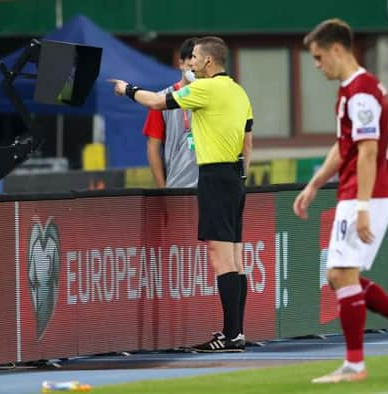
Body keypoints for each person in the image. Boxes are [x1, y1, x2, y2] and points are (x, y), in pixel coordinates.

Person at [293, 19, 388, 383]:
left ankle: (355, 364)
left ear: (338, 49)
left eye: (318, 56)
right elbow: (346, 148)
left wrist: (361, 207)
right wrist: (314, 185)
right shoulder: (353, 90)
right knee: (342, 275)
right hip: (359, 191)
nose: (316, 64)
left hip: (365, 193)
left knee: (341, 274)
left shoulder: (361, 93)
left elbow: (368, 153)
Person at [110, 36, 253, 352]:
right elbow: (248, 142)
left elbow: (156, 102)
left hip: (215, 177)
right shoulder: (238, 91)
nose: (192, 62)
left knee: (221, 257)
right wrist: (241, 178)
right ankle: (237, 332)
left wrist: (127, 89)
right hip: (234, 177)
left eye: (196, 57)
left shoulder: (205, 89)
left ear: (208, 62)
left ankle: (231, 336)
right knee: (237, 259)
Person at [143, 38, 198, 188]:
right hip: (177, 186)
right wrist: (163, 191)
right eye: (191, 67)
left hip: (211, 186)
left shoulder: (214, 97)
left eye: (198, 68)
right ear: (181, 64)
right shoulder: (160, 100)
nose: (195, 73)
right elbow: (153, 148)